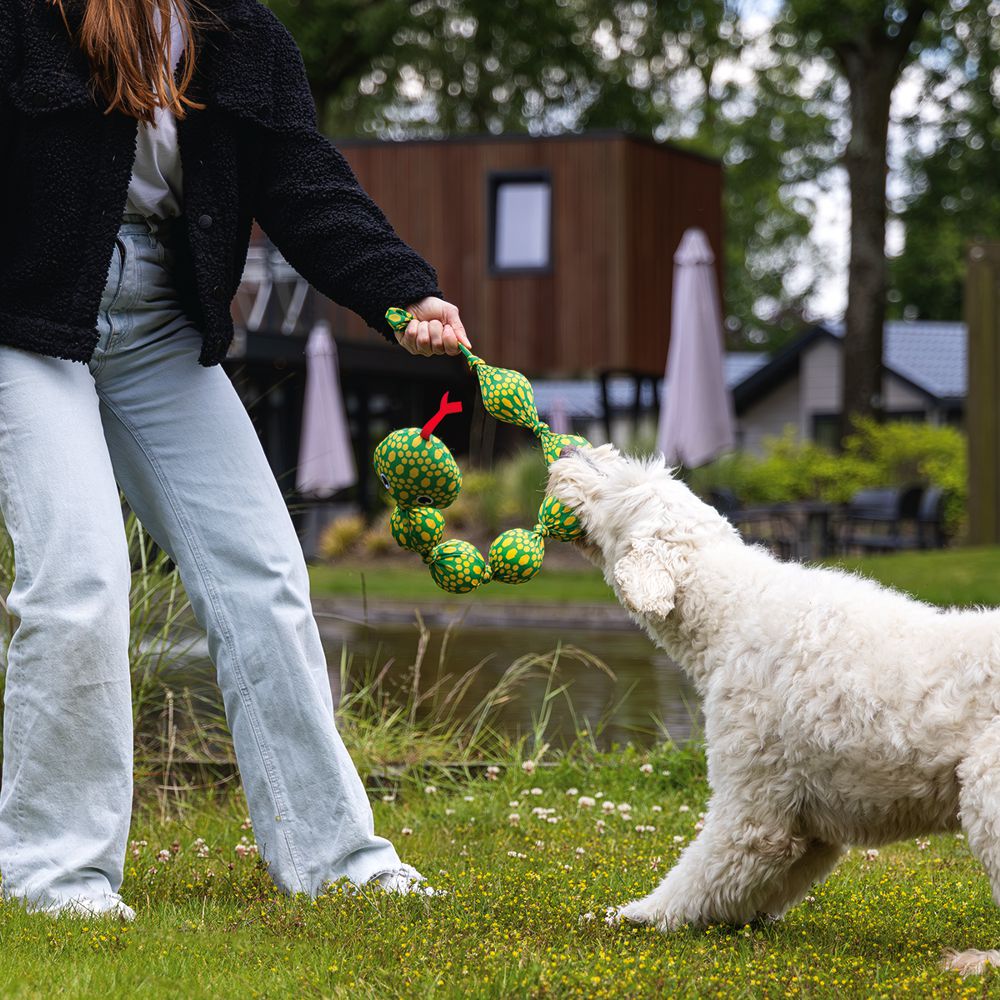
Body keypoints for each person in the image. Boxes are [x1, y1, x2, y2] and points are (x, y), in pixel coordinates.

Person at [0, 0, 468, 919]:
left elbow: (302, 178)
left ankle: (337, 860)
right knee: (79, 582)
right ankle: (53, 876)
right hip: (25, 317)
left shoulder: (241, 31)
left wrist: (401, 290)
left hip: (161, 324)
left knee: (265, 575)